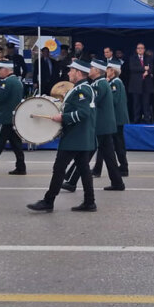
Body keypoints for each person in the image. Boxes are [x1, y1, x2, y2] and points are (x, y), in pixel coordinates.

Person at [28, 60, 97, 213]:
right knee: (84, 170)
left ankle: (48, 201)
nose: (68, 73)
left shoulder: (82, 90)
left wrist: (62, 117)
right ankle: (89, 202)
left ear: (78, 73)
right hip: (81, 137)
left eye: (71, 70)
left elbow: (83, 113)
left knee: (59, 169)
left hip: (75, 138)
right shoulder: (82, 88)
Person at [65, 59, 125, 191]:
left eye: (91, 68)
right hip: (105, 126)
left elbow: (88, 102)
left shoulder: (99, 85)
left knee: (84, 155)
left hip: (100, 126)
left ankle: (71, 181)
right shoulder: (102, 83)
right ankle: (117, 183)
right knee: (109, 157)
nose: (89, 70)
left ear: (97, 71)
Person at [93, 59, 129, 177]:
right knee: (109, 145)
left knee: (116, 144)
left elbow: (113, 100)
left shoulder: (115, 83)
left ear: (112, 71)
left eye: (108, 69)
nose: (106, 71)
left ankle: (123, 167)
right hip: (116, 118)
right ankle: (120, 167)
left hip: (116, 118)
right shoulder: (114, 82)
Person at [129, 42, 154, 123]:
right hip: (136, 85)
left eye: (142, 48)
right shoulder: (132, 58)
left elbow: (151, 68)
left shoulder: (148, 58)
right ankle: (136, 119)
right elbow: (133, 68)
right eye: (138, 48)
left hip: (146, 85)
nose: (140, 50)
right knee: (136, 103)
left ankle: (147, 119)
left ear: (144, 49)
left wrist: (148, 72)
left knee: (146, 103)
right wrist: (144, 68)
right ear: (136, 50)